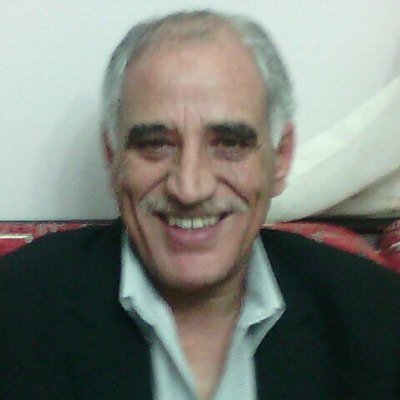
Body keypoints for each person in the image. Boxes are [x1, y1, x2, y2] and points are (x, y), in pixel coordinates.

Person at [0, 10, 399, 400]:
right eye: (156, 144)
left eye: (229, 144)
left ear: (280, 158)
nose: (189, 188)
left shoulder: (378, 315)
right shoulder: (14, 310)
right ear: (113, 157)